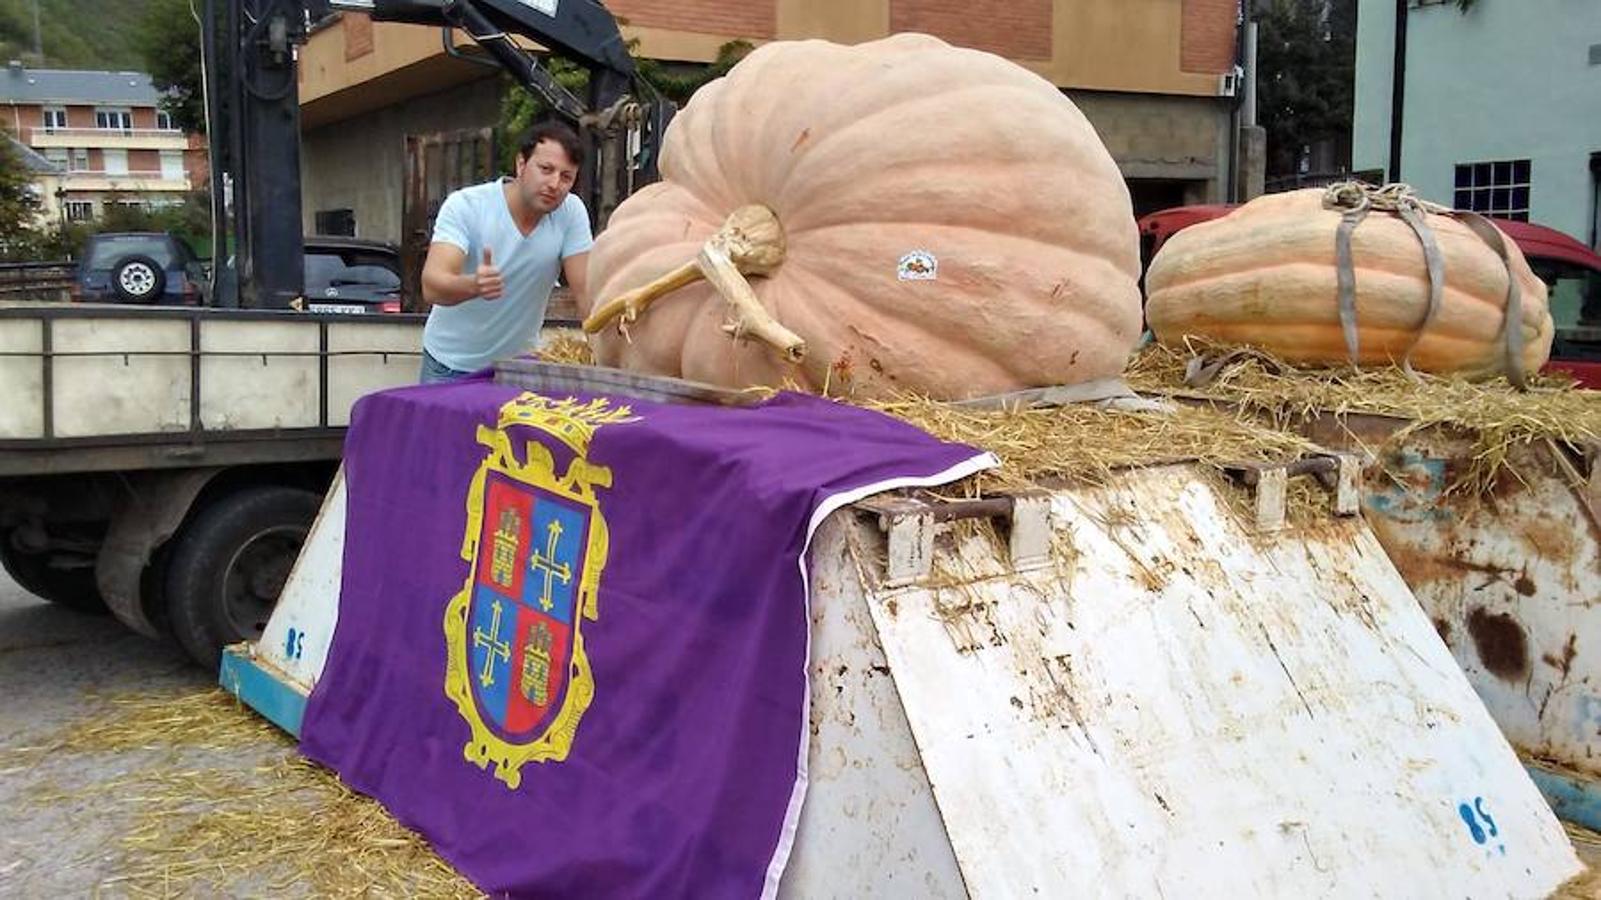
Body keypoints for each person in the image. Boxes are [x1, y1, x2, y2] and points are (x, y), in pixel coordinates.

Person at [418, 121, 593, 383]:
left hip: (517, 370)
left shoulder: (571, 212)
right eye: (546, 169)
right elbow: (432, 285)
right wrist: (473, 285)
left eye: (566, 176)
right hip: (449, 365)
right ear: (521, 165)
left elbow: (586, 292)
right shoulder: (467, 206)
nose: (555, 184)